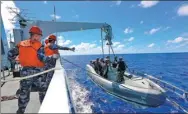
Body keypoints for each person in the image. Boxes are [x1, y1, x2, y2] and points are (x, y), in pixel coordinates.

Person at [8, 26, 52, 114]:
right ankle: (45, 109)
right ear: (34, 35)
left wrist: (16, 60)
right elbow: (43, 59)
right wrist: (51, 60)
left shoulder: (21, 44)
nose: (39, 38)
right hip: (38, 73)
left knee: (24, 95)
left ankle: (20, 111)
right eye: (39, 36)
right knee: (43, 92)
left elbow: (10, 54)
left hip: (25, 73)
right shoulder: (40, 46)